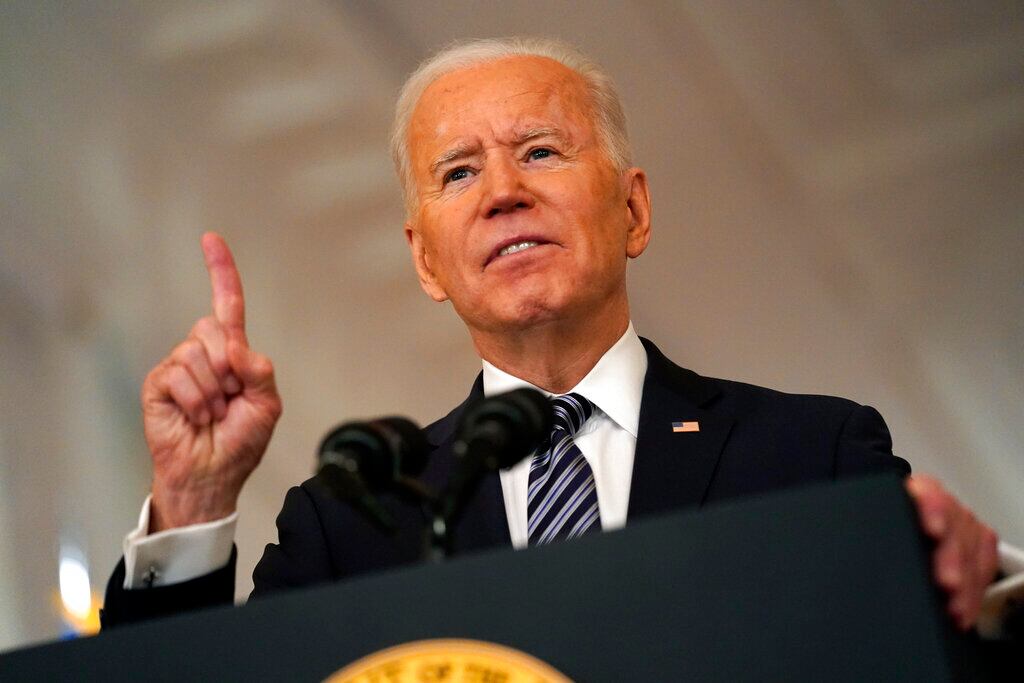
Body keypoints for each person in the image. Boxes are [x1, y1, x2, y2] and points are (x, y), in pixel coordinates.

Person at [101, 37, 1008, 633]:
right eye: (458, 172)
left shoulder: (813, 454)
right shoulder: (350, 523)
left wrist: (991, 588)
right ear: (426, 261)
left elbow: (958, 622)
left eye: (539, 151)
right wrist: (192, 503)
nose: (502, 191)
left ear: (633, 207)